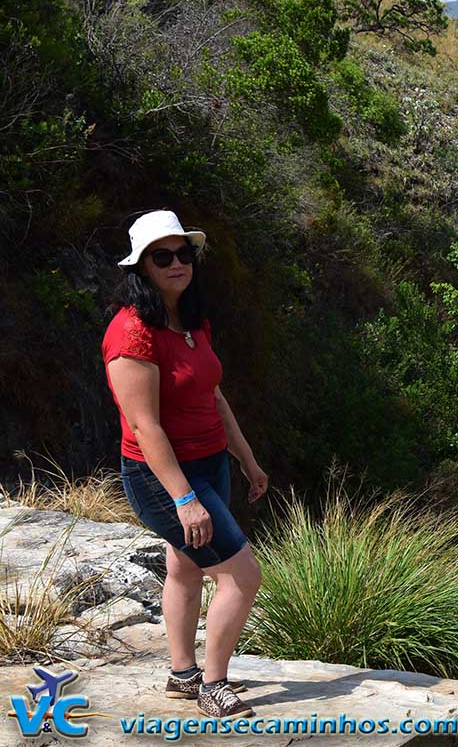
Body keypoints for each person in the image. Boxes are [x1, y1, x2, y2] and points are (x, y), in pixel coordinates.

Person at [101, 209, 266, 720]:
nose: (177, 263)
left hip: (209, 460)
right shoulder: (132, 333)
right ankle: (213, 685)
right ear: (142, 267)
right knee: (242, 576)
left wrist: (247, 459)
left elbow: (213, 397)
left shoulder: (192, 321)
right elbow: (145, 426)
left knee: (185, 567)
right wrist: (184, 498)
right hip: (161, 476)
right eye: (162, 256)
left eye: (183, 253)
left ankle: (182, 674)